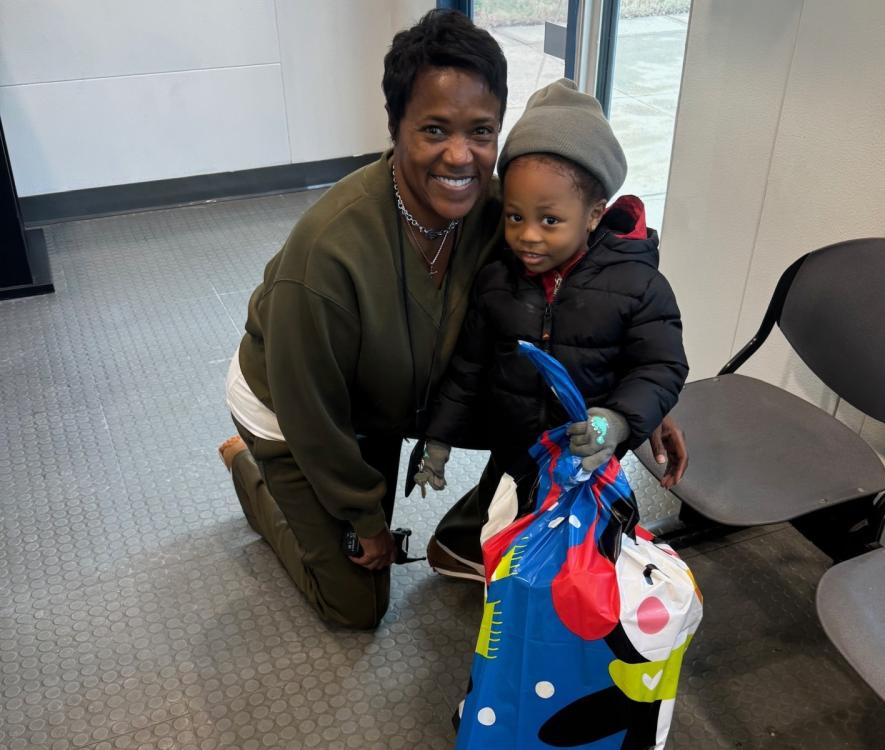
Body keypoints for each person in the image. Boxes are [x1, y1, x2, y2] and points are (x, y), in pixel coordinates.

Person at [218, 10, 688, 630]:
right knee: (357, 605)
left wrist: (642, 404)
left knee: (562, 404)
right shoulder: (326, 257)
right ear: (395, 127)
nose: (461, 155)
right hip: (301, 416)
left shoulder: (504, 210)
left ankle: (471, 536)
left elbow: (596, 292)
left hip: (404, 394)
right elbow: (312, 415)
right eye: (435, 129)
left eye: (482, 131)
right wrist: (364, 519)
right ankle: (253, 474)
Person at [414, 79, 688, 559]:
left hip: (589, 462)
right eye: (515, 217)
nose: (528, 237)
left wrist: (619, 421)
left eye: (550, 220)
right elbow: (468, 368)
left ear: (594, 215)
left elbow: (660, 367)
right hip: (513, 452)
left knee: (583, 561)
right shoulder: (497, 280)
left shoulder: (637, 284)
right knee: (508, 544)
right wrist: (438, 439)